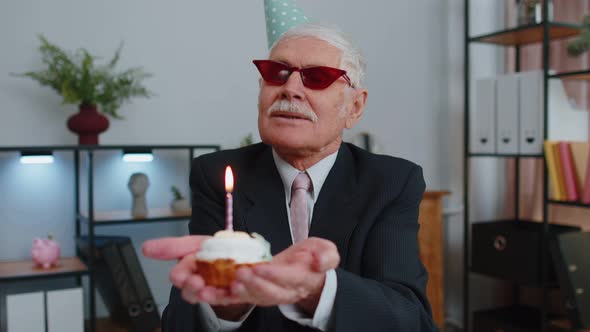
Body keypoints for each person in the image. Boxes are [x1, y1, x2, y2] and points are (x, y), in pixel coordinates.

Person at [143, 23, 438, 331]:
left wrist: (317, 291)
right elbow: (178, 323)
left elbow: (411, 318)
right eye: (276, 73)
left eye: (318, 77)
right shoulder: (217, 175)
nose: (290, 89)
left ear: (355, 106)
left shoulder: (392, 181)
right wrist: (224, 306)